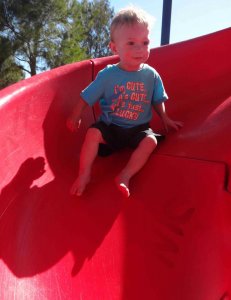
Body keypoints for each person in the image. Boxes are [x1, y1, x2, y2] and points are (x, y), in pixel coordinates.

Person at [67, 6, 183, 197]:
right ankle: (84, 173)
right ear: (114, 48)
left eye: (145, 42)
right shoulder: (108, 75)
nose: (140, 49)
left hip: (138, 130)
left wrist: (165, 118)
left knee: (151, 141)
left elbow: (157, 98)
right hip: (111, 128)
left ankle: (125, 175)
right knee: (93, 133)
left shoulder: (150, 75)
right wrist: (76, 114)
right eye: (131, 43)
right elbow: (87, 95)